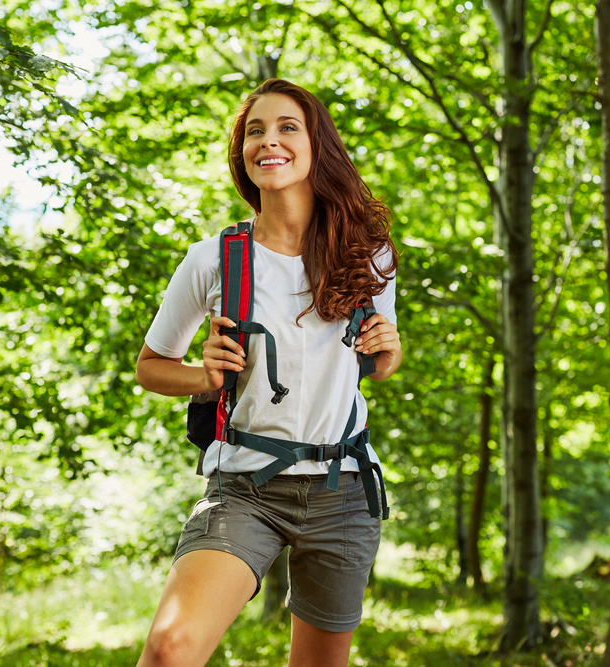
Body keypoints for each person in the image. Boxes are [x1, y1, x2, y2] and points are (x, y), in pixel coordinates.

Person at [133, 78, 401, 667]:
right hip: (245, 489)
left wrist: (389, 346)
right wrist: (203, 376)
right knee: (169, 648)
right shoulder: (214, 258)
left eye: (287, 128)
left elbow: (378, 364)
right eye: (255, 130)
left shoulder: (368, 253)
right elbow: (151, 368)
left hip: (344, 489)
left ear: (316, 147)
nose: (268, 141)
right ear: (242, 152)